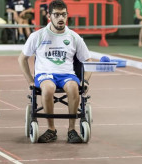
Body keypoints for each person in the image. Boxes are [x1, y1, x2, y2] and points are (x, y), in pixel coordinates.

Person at [18, 0, 92, 143]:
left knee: (73, 88)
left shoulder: (74, 37)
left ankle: (72, 130)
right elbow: (22, 59)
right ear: (49, 16)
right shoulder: (38, 36)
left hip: (67, 74)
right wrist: (30, 81)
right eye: (57, 15)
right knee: (48, 88)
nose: (61, 18)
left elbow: (88, 61)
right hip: (45, 74)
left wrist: (86, 80)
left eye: (63, 14)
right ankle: (51, 129)